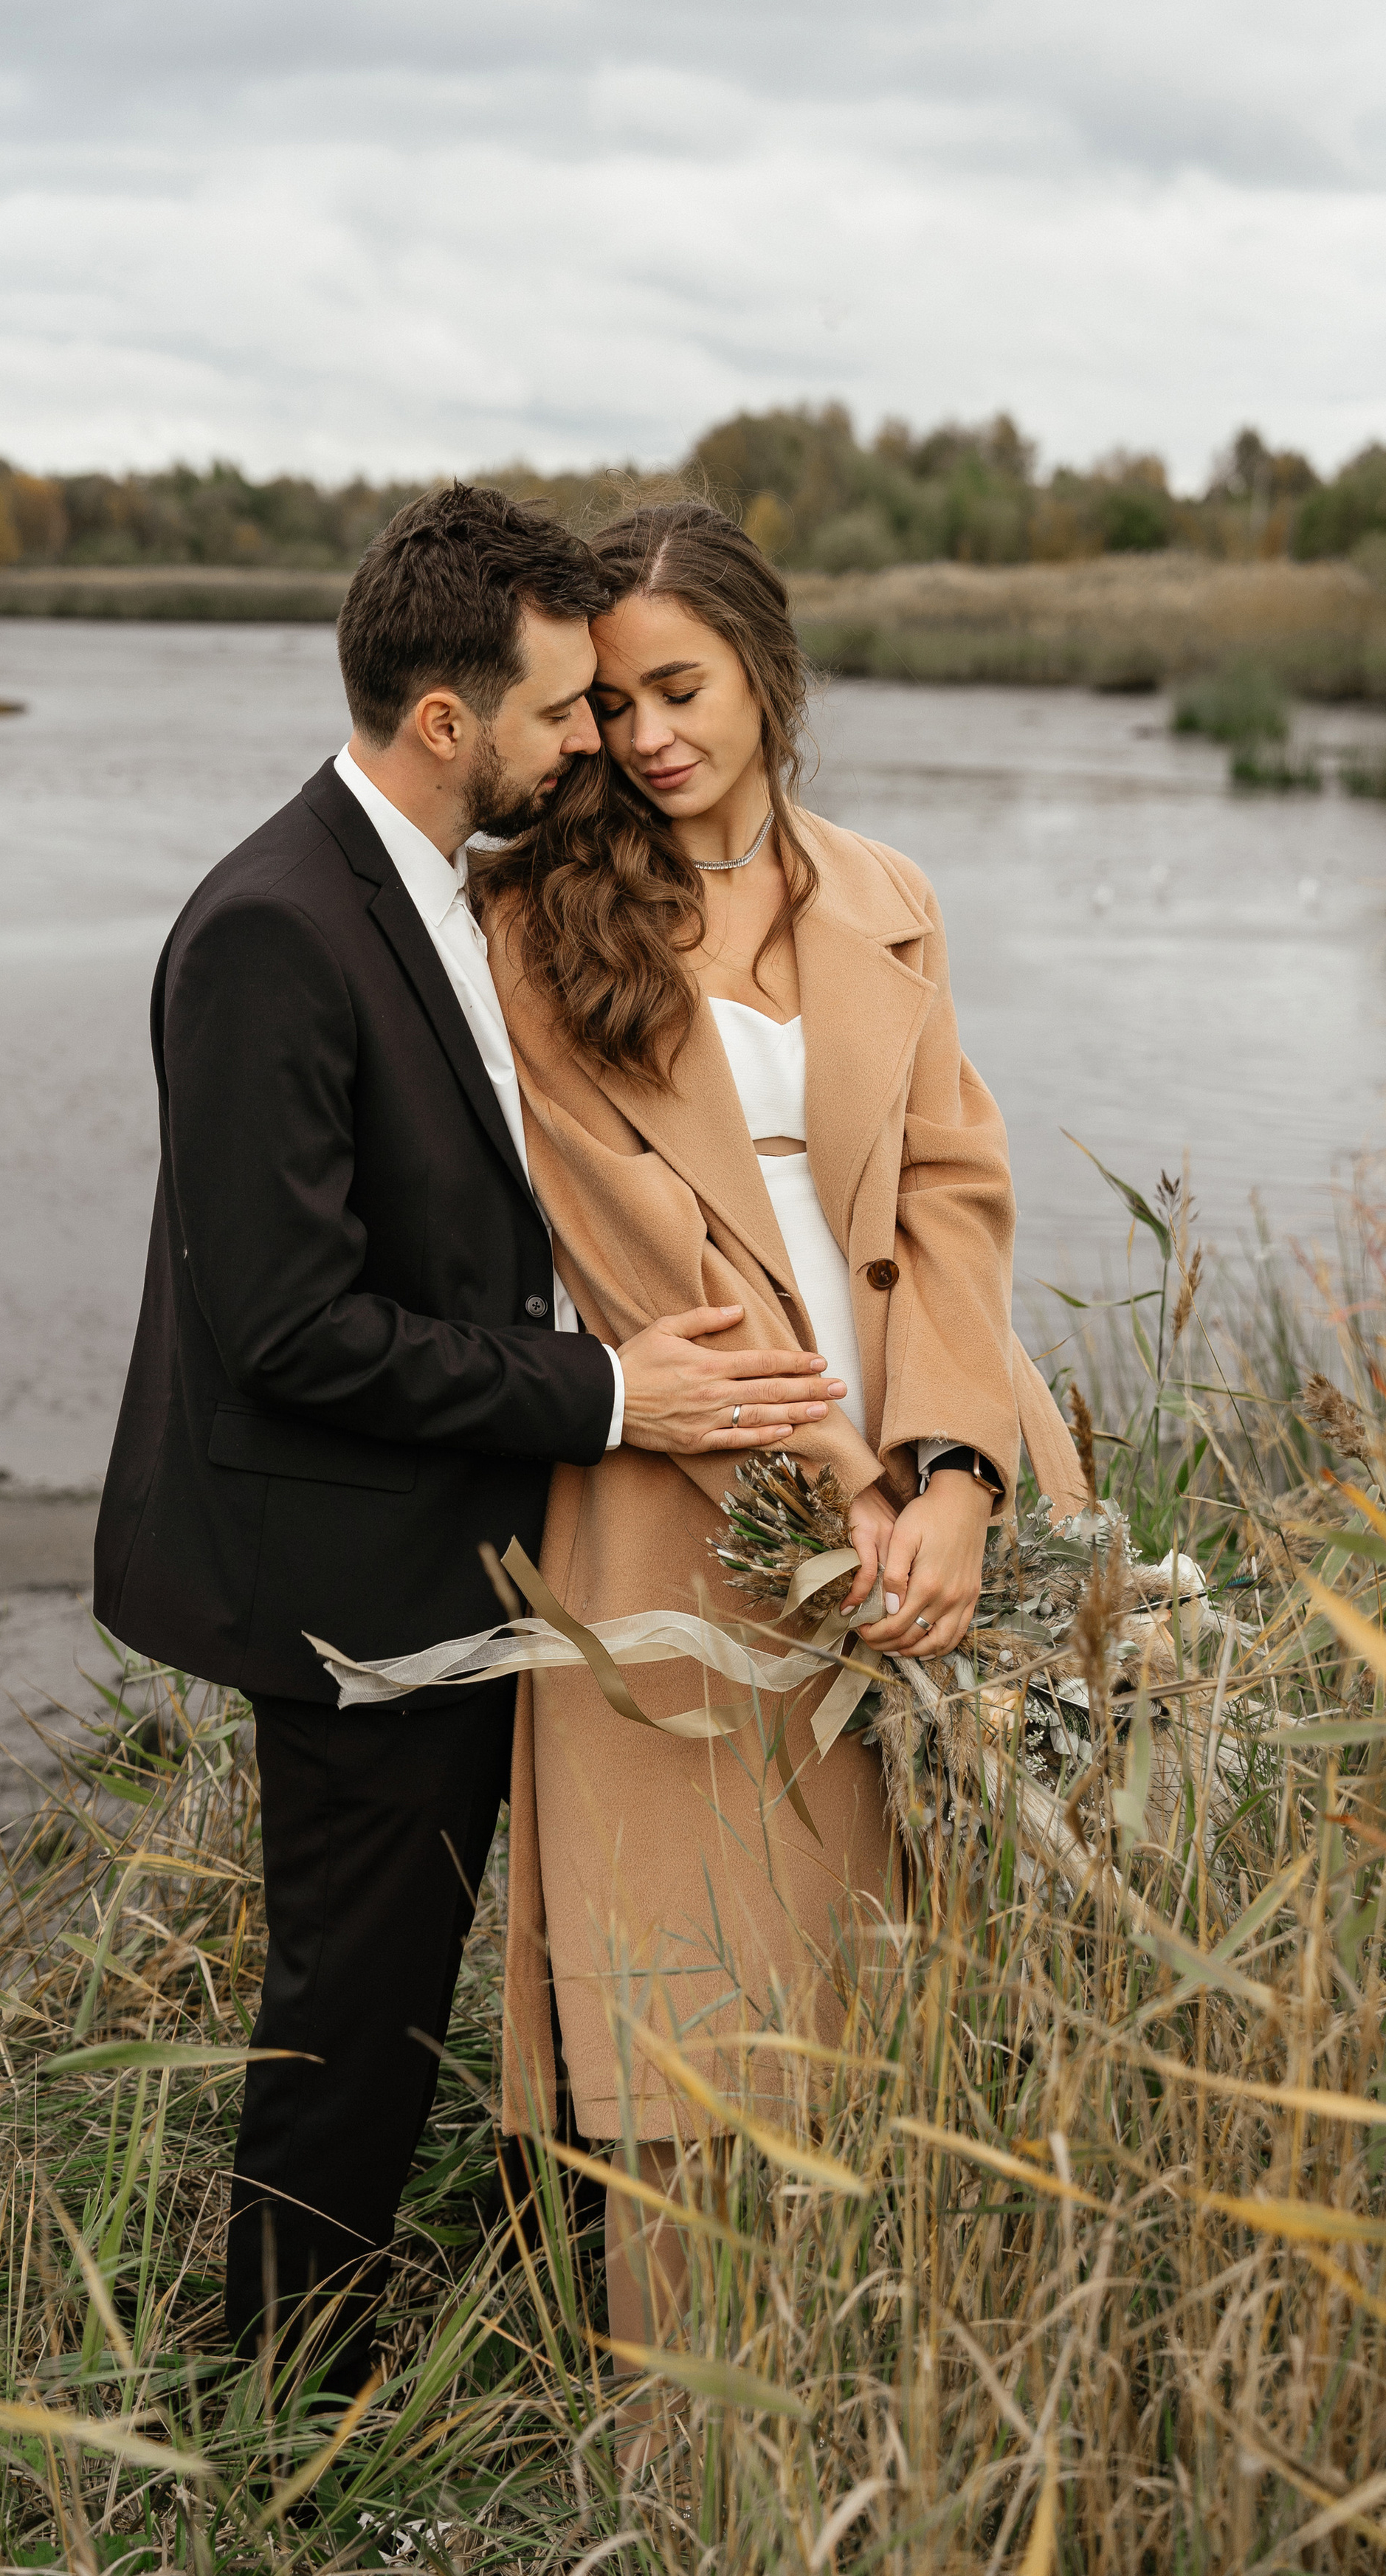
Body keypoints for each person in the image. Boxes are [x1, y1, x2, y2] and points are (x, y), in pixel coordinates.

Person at [92, 483, 844, 2397]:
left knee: (492, 1972)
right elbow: (286, 1330)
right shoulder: (271, 927)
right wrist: (612, 1394)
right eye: (563, 707)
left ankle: (515, 2309)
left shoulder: (442, 892)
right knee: (352, 2016)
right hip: (351, 1580)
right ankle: (291, 2408)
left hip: (486, 1545)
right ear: (449, 720)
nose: (593, 737)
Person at [472, 496, 1086, 2453]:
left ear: (764, 667)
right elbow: (627, 1232)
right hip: (696, 1487)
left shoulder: (885, 892)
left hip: (935, 1442)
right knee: (700, 1973)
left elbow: (956, 1194)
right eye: (613, 703)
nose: (648, 737)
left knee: (929, 1936)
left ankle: (911, 2405)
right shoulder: (534, 923)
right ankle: (693, 2456)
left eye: (683, 688)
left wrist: (956, 1474)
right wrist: (840, 1481)